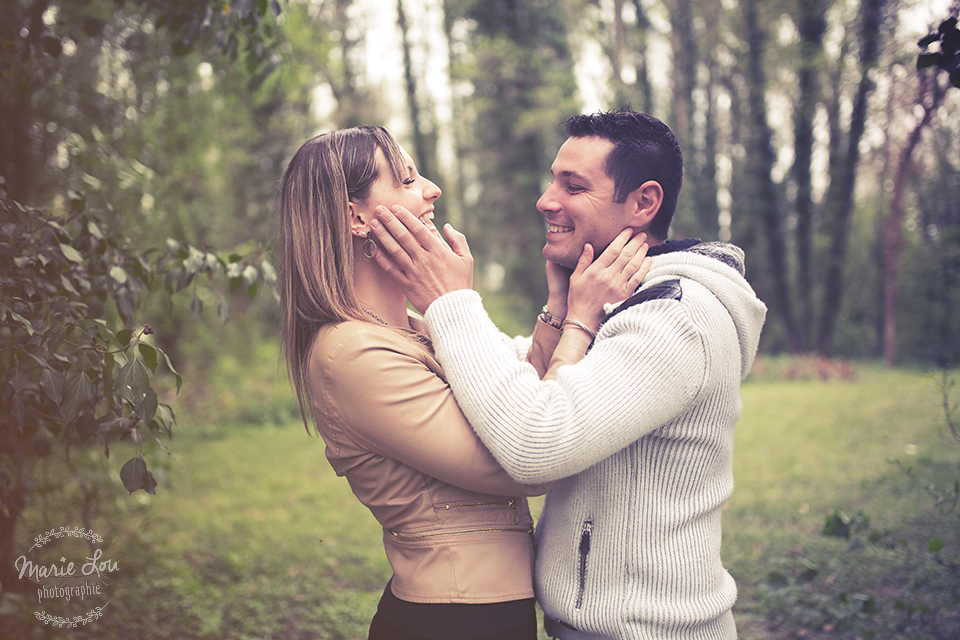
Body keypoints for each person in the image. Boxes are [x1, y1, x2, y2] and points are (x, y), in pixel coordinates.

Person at [368, 108, 768, 639]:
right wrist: (562, 310)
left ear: (644, 202)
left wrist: (450, 301)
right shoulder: (619, 300)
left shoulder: (676, 316)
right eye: (552, 180)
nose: (546, 201)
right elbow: (510, 383)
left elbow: (535, 444)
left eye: (573, 186)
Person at [275, 125, 650, 640]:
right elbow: (527, 463)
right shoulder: (350, 352)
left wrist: (560, 308)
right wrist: (581, 323)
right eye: (407, 180)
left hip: (485, 613)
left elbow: (521, 401)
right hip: (450, 618)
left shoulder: (414, 330)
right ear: (354, 215)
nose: (431, 188)